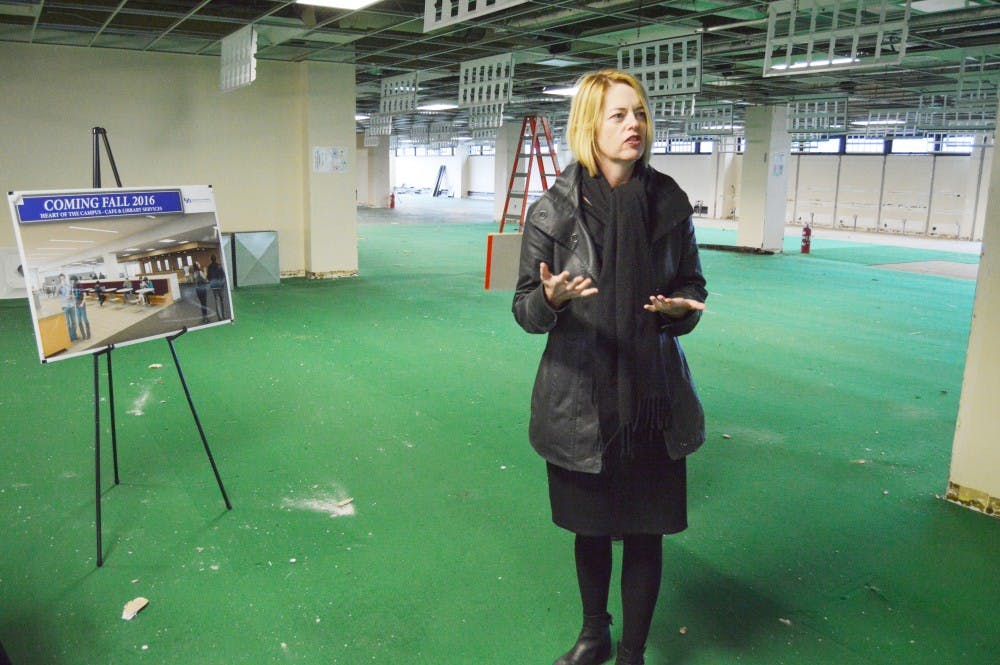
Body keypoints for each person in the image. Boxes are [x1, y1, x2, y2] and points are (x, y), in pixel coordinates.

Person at [512, 70, 708, 665]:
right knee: (591, 528)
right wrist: (550, 300)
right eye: (619, 115)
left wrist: (679, 311)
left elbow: (694, 286)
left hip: (652, 397)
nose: (634, 126)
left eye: (640, 114)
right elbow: (524, 308)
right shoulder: (553, 211)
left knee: (645, 532)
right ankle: (594, 633)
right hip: (583, 397)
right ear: (589, 127)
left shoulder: (670, 204)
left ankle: (633, 652)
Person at [56, 274, 78, 342]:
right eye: (61, 279)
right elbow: (56, 294)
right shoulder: (58, 286)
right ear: (59, 280)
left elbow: (73, 294)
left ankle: (74, 335)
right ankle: (70, 337)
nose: (63, 280)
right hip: (64, 306)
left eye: (63, 278)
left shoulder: (69, 286)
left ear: (65, 278)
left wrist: (72, 296)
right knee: (67, 323)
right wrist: (60, 287)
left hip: (71, 305)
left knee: (74, 322)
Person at [206, 254, 227, 320]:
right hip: (220, 286)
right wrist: (223, 284)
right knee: (222, 301)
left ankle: (220, 317)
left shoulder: (209, 267)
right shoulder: (219, 266)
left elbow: (208, 277)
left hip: (214, 287)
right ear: (216, 259)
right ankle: (224, 316)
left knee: (217, 302)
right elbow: (223, 275)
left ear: (211, 259)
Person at [71, 276, 91, 340]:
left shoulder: (80, 285)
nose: (71, 281)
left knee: (85, 319)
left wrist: (82, 303)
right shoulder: (73, 287)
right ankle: (83, 335)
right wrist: (74, 301)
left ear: (75, 280)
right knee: (79, 320)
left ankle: (88, 334)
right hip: (77, 304)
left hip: (82, 303)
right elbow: (74, 295)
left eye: (72, 280)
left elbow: (85, 295)